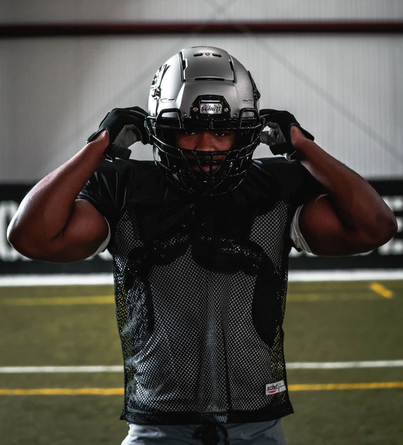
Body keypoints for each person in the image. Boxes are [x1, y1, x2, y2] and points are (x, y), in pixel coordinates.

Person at [7, 46, 397, 445]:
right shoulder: (125, 189)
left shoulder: (275, 189)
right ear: (162, 130)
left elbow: (375, 227)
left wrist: (303, 146)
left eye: (222, 132)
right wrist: (98, 146)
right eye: (190, 129)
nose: (206, 146)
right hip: (157, 429)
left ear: (244, 132)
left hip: (257, 426)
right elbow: (29, 236)